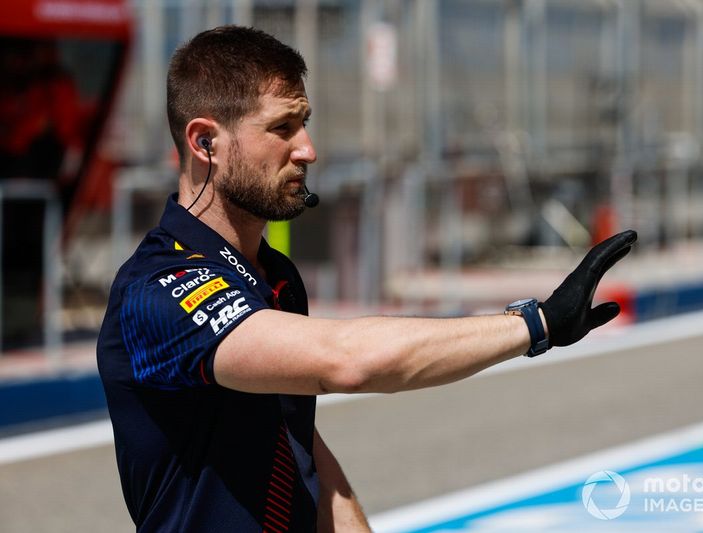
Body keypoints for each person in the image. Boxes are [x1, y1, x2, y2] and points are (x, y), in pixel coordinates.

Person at [97, 26, 637, 532]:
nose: (307, 149)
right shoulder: (159, 287)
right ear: (205, 142)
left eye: (304, 123)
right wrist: (535, 324)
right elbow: (347, 360)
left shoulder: (274, 275)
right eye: (282, 128)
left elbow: (294, 440)